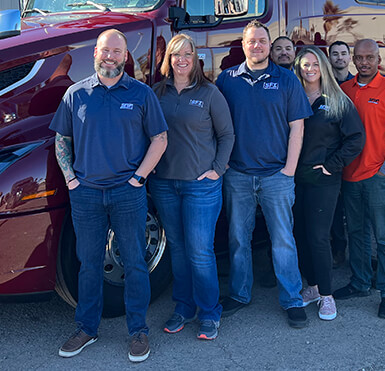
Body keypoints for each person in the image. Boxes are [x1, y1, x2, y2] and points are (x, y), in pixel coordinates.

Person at [50, 29, 168, 362]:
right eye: (106, 50)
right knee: (88, 265)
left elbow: (160, 139)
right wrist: (71, 180)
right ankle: (86, 328)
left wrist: (138, 178)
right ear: (95, 54)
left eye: (117, 51)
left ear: (126, 56)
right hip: (85, 194)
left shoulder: (142, 94)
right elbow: (63, 141)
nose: (111, 56)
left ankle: (138, 332)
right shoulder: (76, 94)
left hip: (127, 194)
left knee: (134, 262)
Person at [215, 20, 312, 328]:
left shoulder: (286, 80)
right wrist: (225, 164)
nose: (256, 45)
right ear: (242, 46)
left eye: (261, 41)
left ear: (269, 45)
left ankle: (292, 299)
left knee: (283, 239)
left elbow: (297, 126)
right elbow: (215, 125)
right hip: (238, 175)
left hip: (276, 176)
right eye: (251, 41)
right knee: (238, 239)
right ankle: (240, 294)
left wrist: (289, 170)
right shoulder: (226, 80)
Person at [148, 34, 234, 340]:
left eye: (187, 54)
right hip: (165, 184)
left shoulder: (209, 93)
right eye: (175, 54)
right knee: (179, 250)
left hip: (201, 186)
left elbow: (227, 135)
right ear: (168, 60)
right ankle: (183, 307)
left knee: (200, 251)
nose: (181, 59)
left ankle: (210, 312)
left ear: (195, 58)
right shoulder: (157, 92)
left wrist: (216, 170)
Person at [333, 39, 385, 319]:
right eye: (360, 58)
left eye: (370, 57)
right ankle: (361, 282)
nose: (364, 62)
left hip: (379, 176)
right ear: (353, 60)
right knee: (357, 233)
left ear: (378, 60)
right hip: (350, 175)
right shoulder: (344, 90)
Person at [293, 46, 365, 320]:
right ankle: (311, 286)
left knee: (318, 236)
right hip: (294, 177)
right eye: (304, 64)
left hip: (323, 179)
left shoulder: (337, 100)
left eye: (314, 63)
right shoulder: (293, 97)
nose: (309, 69)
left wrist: (333, 164)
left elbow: (356, 138)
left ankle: (327, 295)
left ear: (322, 66)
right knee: (299, 233)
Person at [328, 40, 355, 268]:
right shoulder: (325, 86)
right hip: (333, 157)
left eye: (343, 53)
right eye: (334, 54)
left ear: (349, 57)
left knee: (356, 208)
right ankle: (338, 249)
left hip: (355, 155)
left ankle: (360, 254)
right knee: (335, 209)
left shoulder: (356, 84)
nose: (339, 57)